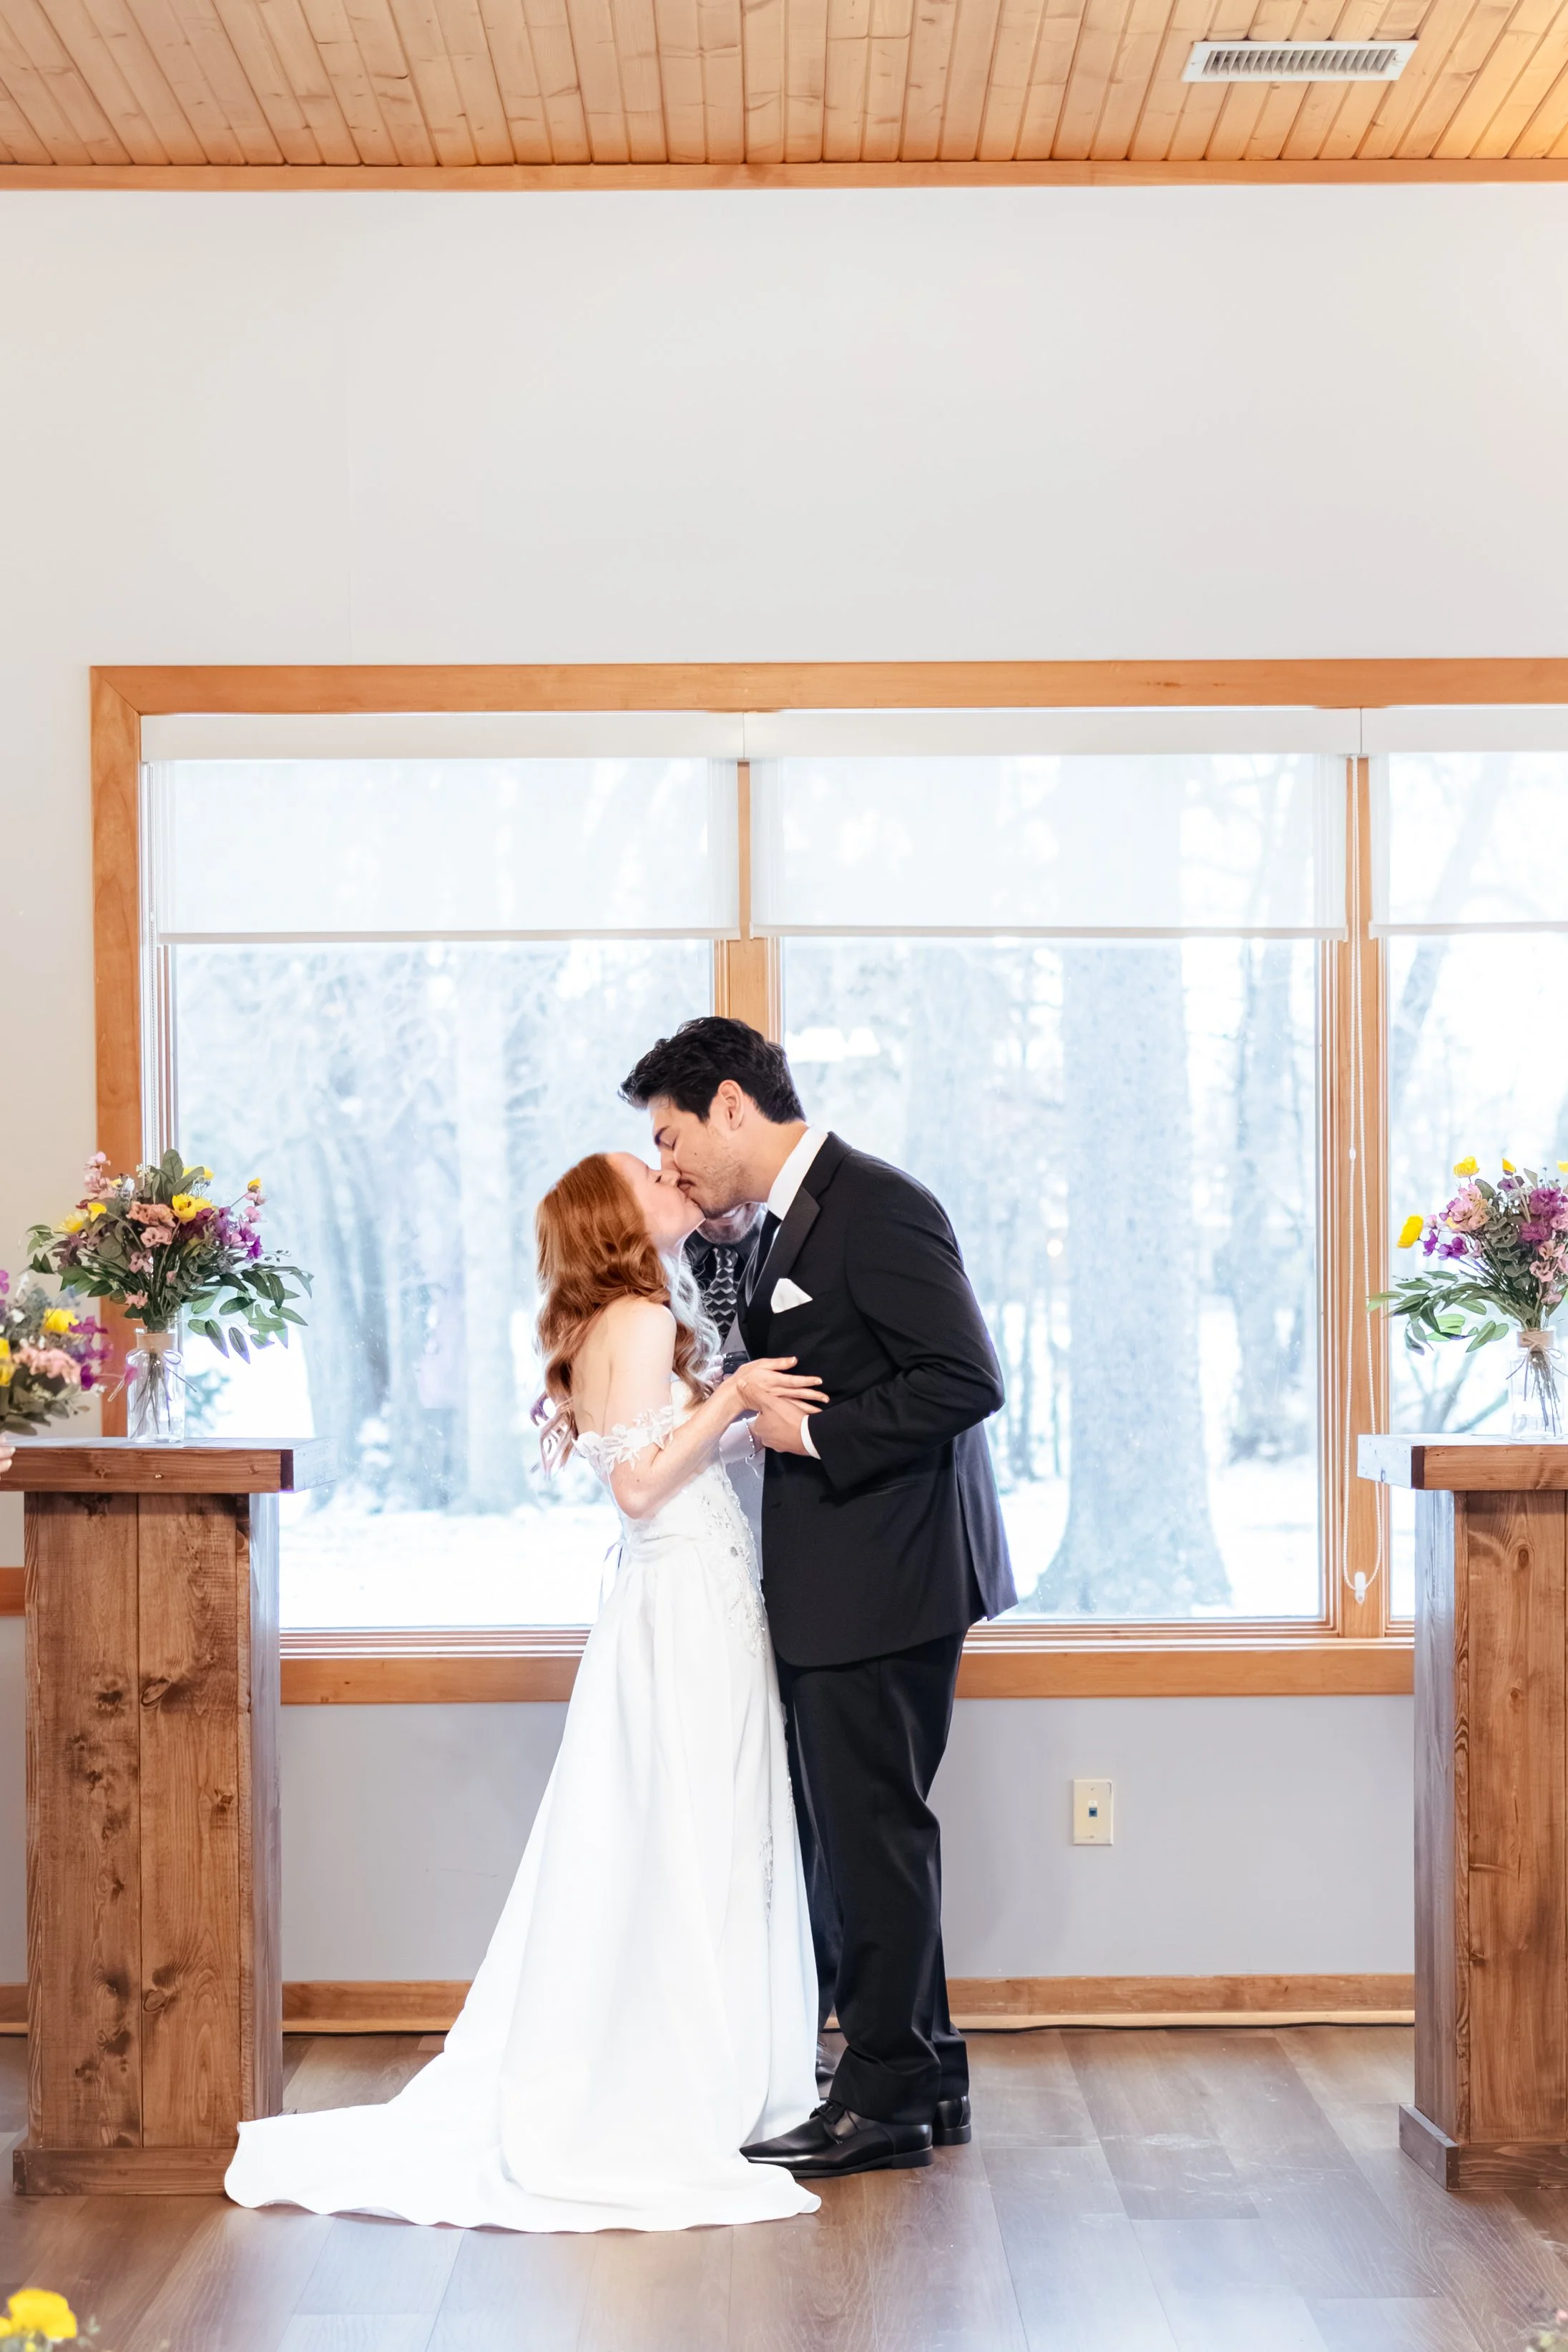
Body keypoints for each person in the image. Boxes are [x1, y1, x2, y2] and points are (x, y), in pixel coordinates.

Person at [225, 1150, 825, 2233]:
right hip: (684, 1598)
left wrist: (744, 1426)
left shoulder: (620, 1318)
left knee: (692, 1820)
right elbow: (640, 1487)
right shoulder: (639, 1317)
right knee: (695, 1822)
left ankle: (707, 2053)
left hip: (689, 1594)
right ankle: (692, 2068)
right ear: (617, 1217)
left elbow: (662, 1458)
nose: (673, 1176)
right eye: (650, 1176)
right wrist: (736, 1392)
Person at [620, 1016, 1016, 2182]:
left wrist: (818, 1436)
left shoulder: (876, 1205)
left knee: (870, 1839)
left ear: (730, 1104)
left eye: (671, 1135)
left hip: (887, 1575)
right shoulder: (788, 1217)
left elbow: (966, 1379)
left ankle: (881, 2101)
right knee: (871, 1834)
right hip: (852, 1574)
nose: (669, 1162)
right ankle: (929, 2074)